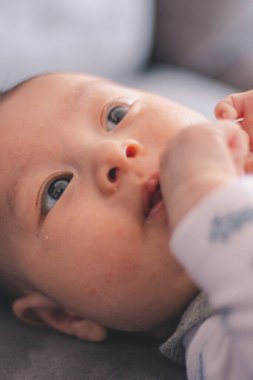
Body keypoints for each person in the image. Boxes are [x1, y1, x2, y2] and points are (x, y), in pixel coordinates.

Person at [0, 72, 251, 379]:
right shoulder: (219, 341)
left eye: (116, 115)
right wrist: (206, 196)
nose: (113, 151)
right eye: (57, 190)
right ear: (64, 315)